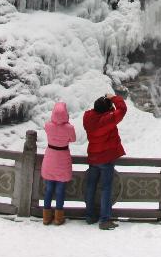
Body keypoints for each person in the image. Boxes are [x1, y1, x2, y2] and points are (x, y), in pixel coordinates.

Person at [83, 93, 127, 230]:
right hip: (106, 158)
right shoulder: (108, 119)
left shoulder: (88, 117)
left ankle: (90, 216)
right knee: (106, 188)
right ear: (107, 110)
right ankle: (104, 219)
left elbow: (96, 110)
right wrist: (113, 98)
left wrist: (105, 103)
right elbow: (122, 109)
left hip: (93, 157)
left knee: (91, 186)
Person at [41, 101, 76, 226]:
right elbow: (73, 139)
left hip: (50, 158)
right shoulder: (69, 128)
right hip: (63, 158)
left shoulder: (48, 126)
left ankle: (46, 217)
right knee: (60, 190)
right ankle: (58, 218)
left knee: (49, 189)